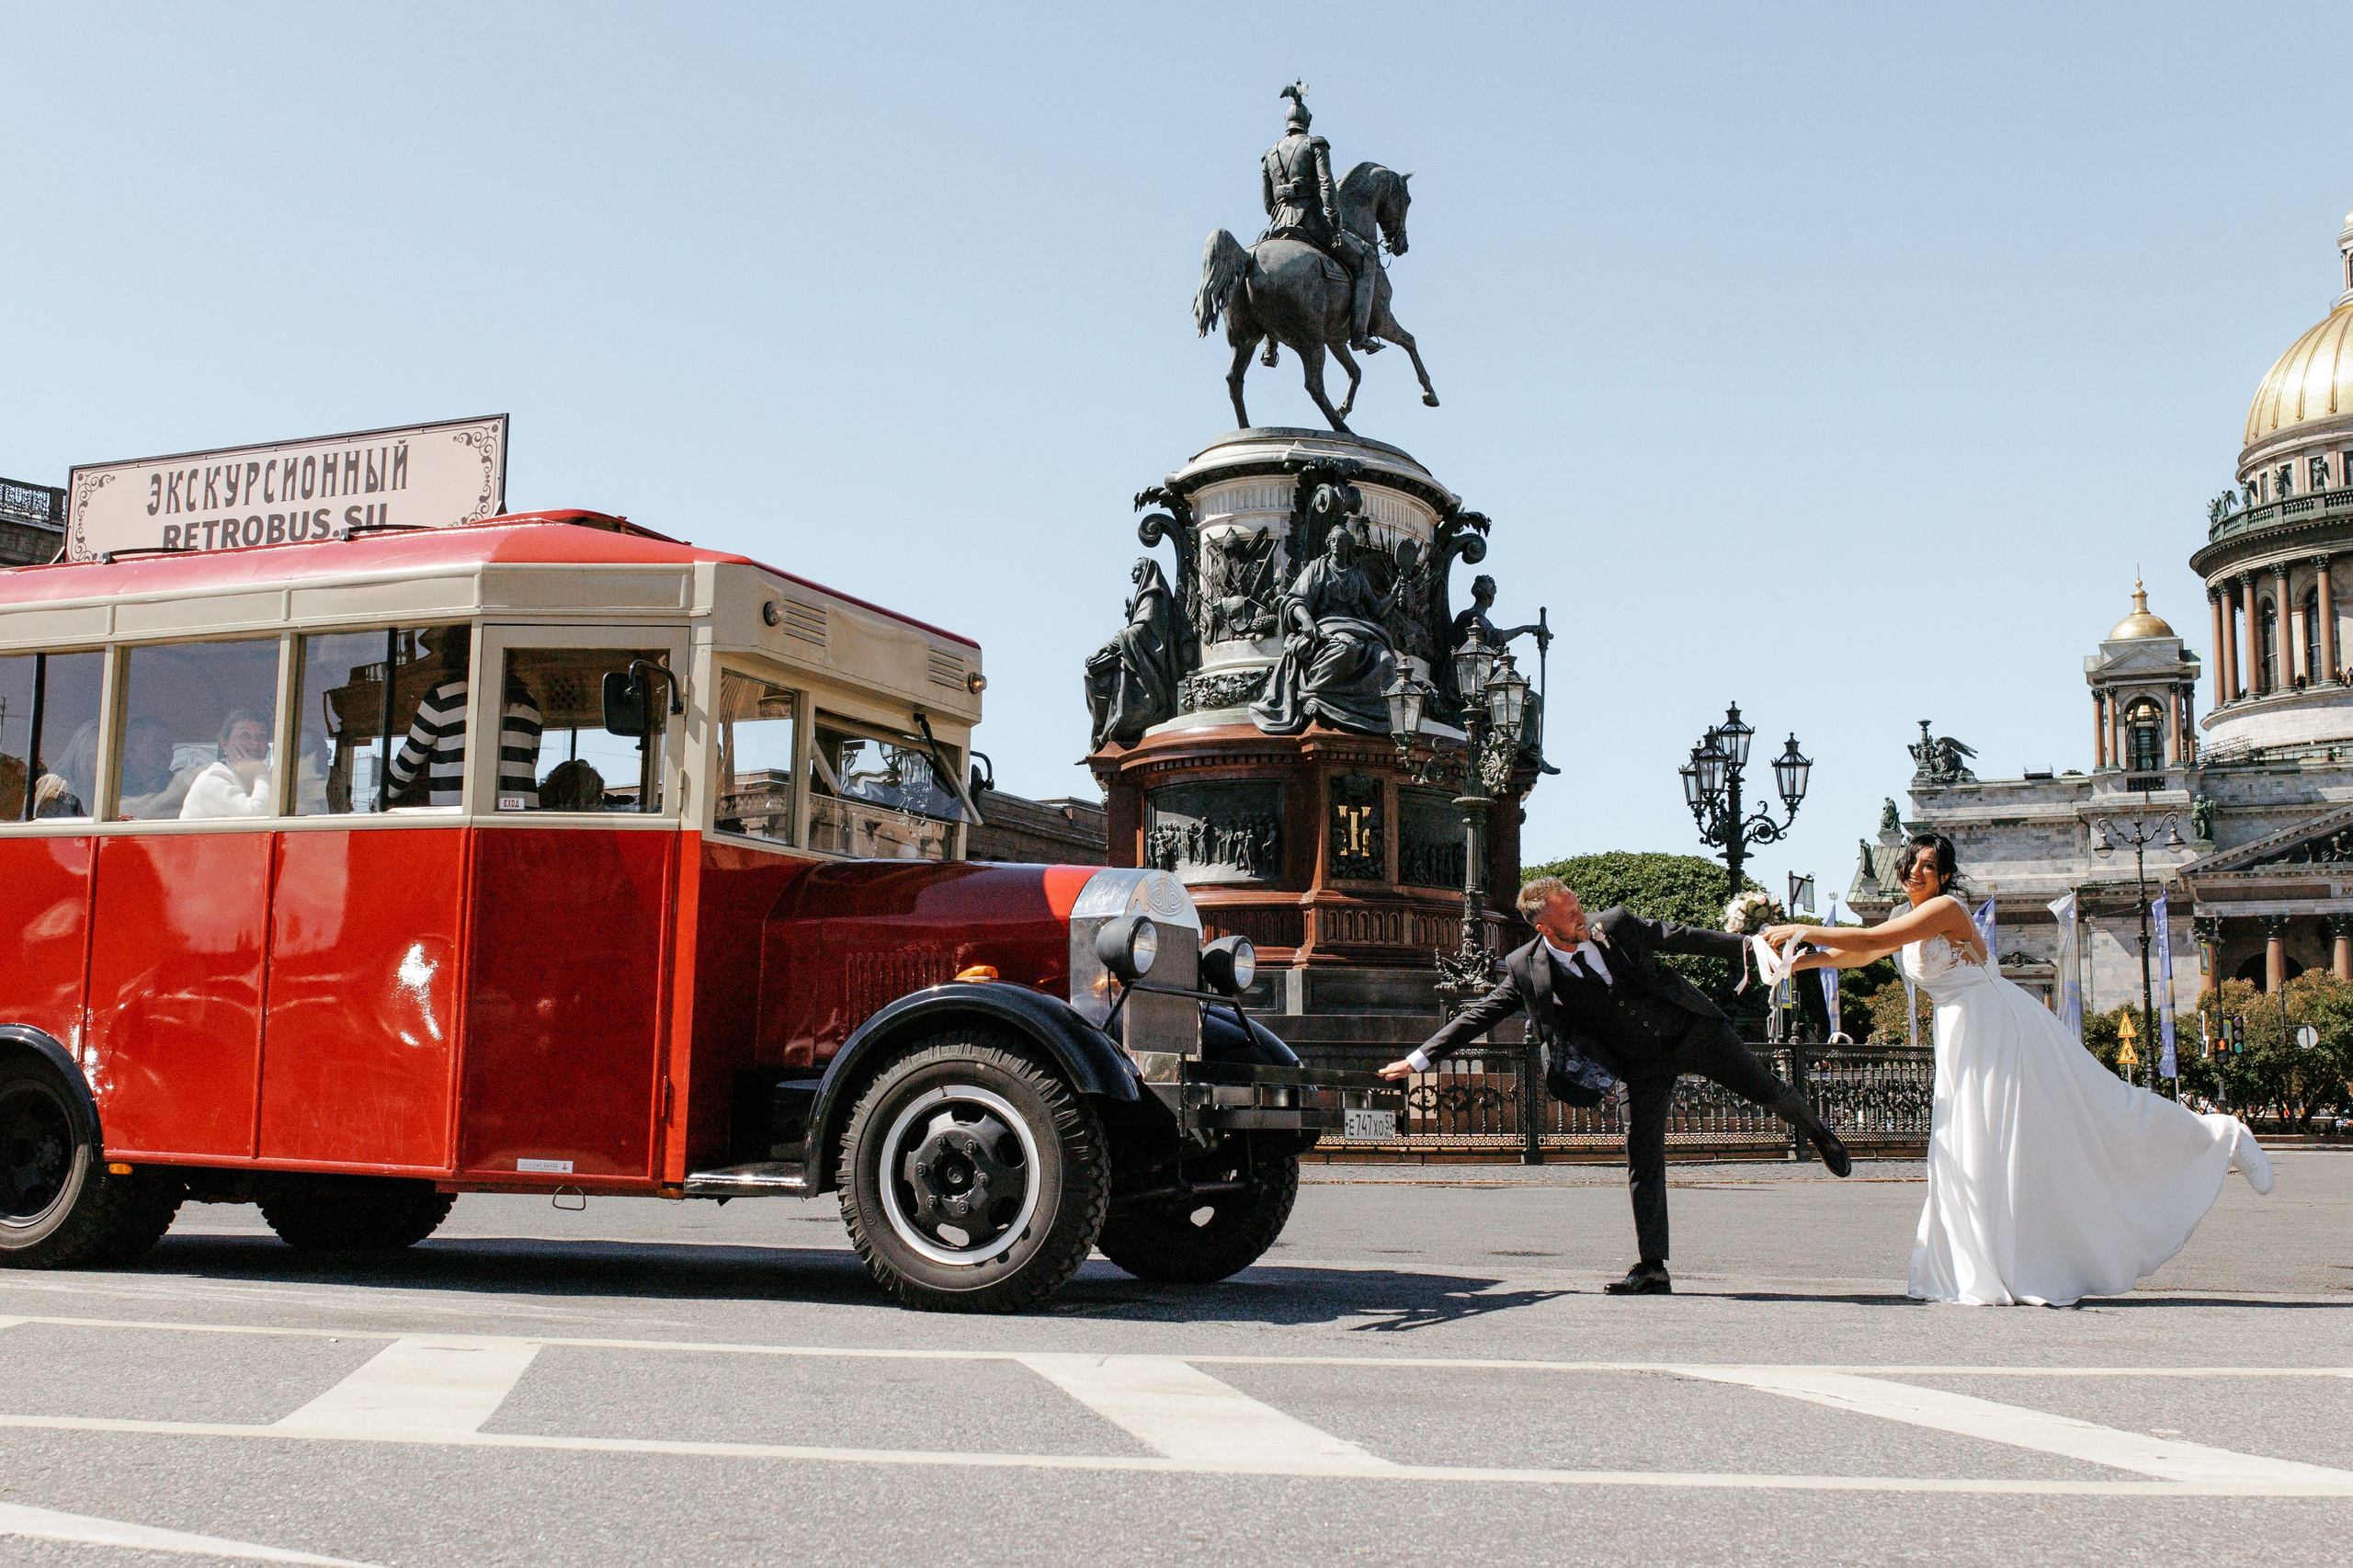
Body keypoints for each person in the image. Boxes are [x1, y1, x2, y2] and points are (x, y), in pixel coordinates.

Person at [1765, 834, 2274, 1307]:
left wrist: (1798, 930)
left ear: (1944, 877)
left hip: (1998, 1024)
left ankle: (2222, 1136)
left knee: (2099, 1110)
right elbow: (1861, 955)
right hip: (1962, 1031)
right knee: (1971, 1144)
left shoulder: (1944, 909)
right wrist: (1795, 963)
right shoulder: (1912, 912)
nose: (1917, 873)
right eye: (1912, 865)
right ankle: (1984, 1265)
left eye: (1930, 867)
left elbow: (1871, 935)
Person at [1381, 877, 1850, 1295]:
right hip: (1639, 1063)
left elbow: (1682, 938)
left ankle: (1821, 1134)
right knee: (1642, 1155)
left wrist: (1759, 947)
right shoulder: (1526, 966)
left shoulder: (1617, 924)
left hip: (1693, 1031)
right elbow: (1481, 1013)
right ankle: (1653, 1268)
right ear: (1544, 927)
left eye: (1579, 906)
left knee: (1766, 1089)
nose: (1582, 917)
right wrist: (1418, 1058)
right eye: (1570, 914)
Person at [1260, 83, 1379, 354]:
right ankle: (1360, 334)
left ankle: (1270, 345)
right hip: (1311, 221)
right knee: (1367, 258)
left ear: (1286, 122)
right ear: (1307, 122)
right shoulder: (1315, 144)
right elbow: (1326, 185)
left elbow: (1268, 203)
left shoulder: (1269, 155)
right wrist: (1335, 223)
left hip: (1277, 225)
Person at [385, 631, 542, 808]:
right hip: (519, 811)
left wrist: (381, 800)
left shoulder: (441, 696)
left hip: (456, 813)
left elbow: (408, 762)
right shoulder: (528, 700)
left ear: (451, 655)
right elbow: (531, 761)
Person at [179, 709, 275, 819]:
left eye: (262, 736)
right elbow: (261, 816)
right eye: (244, 735)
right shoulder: (213, 779)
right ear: (224, 743)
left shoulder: (257, 779)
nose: (255, 742)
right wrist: (260, 770)